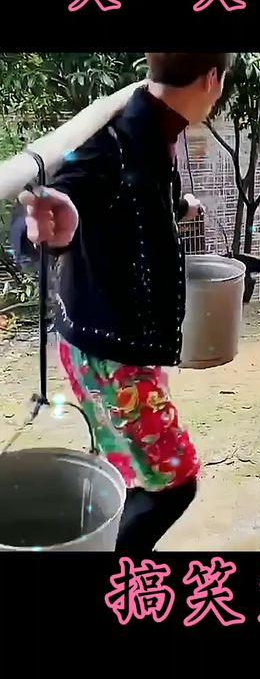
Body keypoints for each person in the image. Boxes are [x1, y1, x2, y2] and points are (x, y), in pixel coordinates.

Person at [14, 53, 233, 550]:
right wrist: (42, 227)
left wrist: (180, 205)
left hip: (113, 348)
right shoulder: (111, 139)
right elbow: (51, 203)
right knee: (173, 484)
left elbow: (135, 194)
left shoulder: (155, 129)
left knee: (135, 474)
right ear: (212, 78)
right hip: (110, 360)